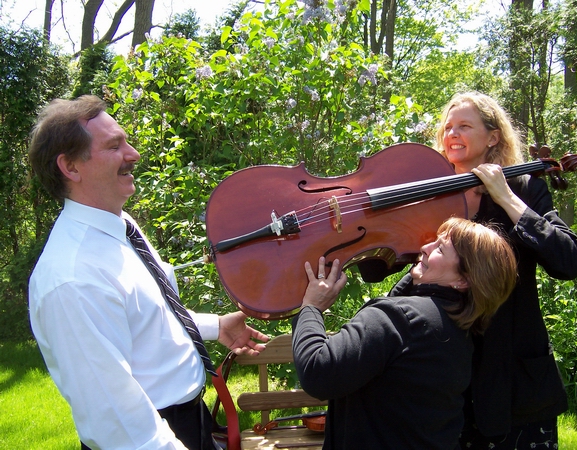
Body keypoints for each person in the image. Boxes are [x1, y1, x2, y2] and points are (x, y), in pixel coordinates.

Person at [27, 95, 269, 450]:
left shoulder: (121, 226)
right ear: (71, 167)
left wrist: (213, 326)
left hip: (189, 422)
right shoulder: (71, 278)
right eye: (114, 146)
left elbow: (145, 316)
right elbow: (115, 421)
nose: (134, 154)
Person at [435, 91, 577, 448]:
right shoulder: (433, 195)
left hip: (515, 371)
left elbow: (568, 260)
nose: (452, 133)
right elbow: (381, 267)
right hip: (447, 368)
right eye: (448, 127)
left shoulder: (524, 187)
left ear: (493, 137)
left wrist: (505, 198)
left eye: (465, 126)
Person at [292, 217, 518, 450]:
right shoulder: (454, 325)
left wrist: (311, 307)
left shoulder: (398, 318)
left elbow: (317, 372)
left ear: (463, 279)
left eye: (440, 248)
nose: (424, 247)